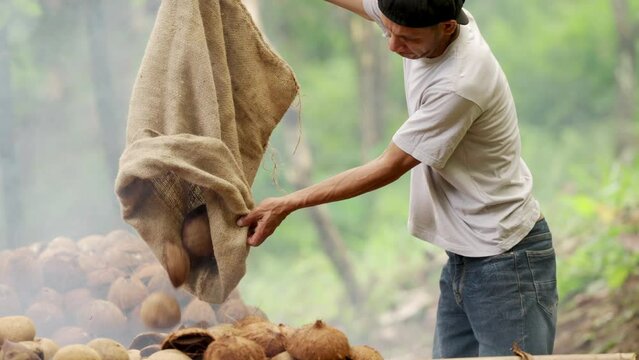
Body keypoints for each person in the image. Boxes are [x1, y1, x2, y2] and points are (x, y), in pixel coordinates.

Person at [236, 0, 558, 357]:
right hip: (464, 256)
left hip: (506, 260)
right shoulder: (416, 12)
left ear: (448, 28)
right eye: (388, 30)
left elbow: (390, 165)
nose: (393, 45)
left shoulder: (461, 83)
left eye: (406, 38)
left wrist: (289, 201)